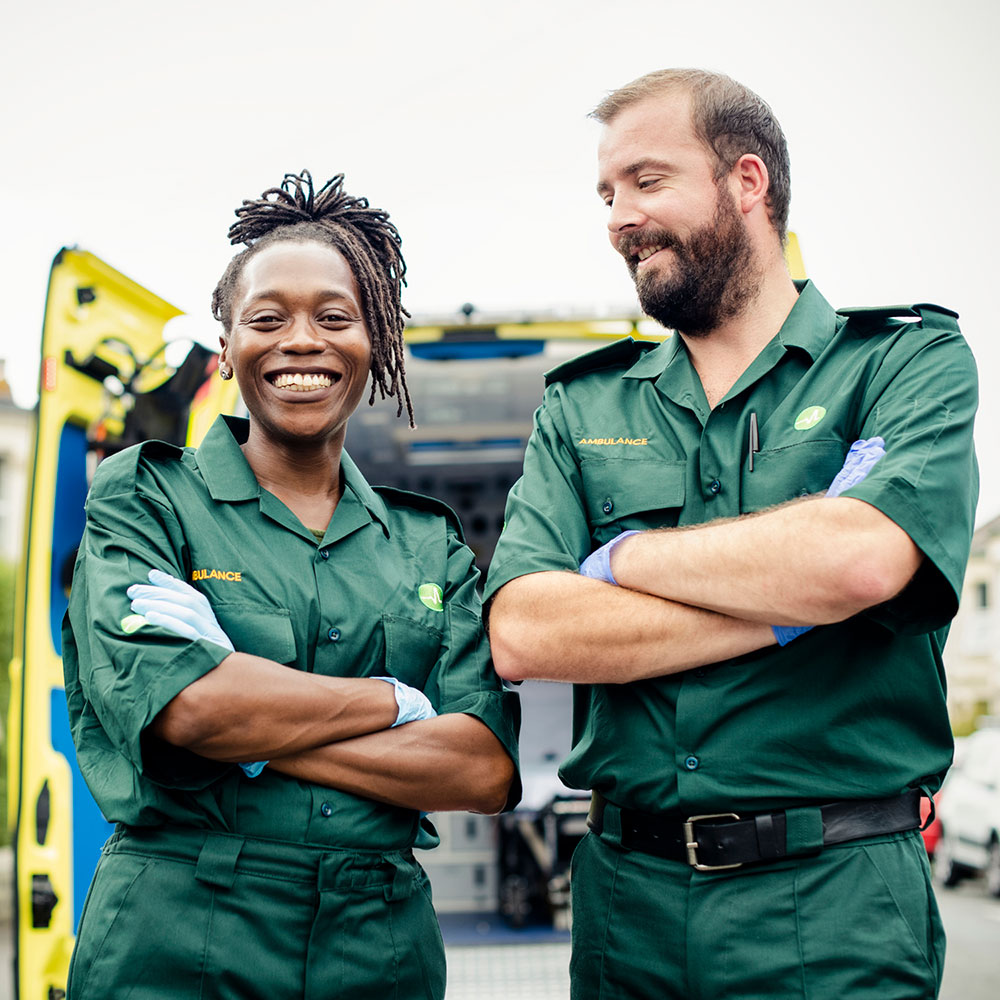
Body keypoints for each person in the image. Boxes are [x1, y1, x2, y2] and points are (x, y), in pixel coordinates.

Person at [484, 69, 978, 1000]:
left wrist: (625, 558)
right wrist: (795, 608)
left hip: (839, 907)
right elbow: (525, 630)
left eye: (647, 180)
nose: (619, 215)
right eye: (606, 193)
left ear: (747, 182)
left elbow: (860, 557)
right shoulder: (582, 404)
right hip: (626, 907)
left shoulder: (906, 361)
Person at [63, 170, 520, 1000]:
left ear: (374, 340)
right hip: (179, 934)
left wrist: (245, 729)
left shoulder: (428, 544)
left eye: (335, 317)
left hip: (376, 945)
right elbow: (190, 708)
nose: (300, 341)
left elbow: (481, 770)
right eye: (266, 319)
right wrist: (396, 701)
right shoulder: (147, 496)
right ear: (230, 344)